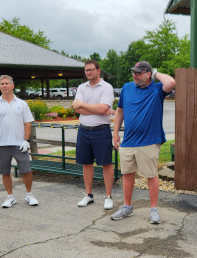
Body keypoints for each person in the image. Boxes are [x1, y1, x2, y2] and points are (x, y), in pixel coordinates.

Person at [111, 61, 176, 224]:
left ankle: (153, 209)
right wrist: (115, 133)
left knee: (150, 176)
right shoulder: (126, 88)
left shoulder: (156, 90)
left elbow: (171, 82)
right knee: (127, 175)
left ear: (148, 74)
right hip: (128, 141)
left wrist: (155, 73)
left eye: (139, 73)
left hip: (149, 141)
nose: (135, 75)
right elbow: (120, 111)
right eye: (134, 72)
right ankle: (127, 207)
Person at [0, 75, 38, 208]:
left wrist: (26, 140)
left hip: (19, 144)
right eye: (2, 84)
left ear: (12, 86)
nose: (4, 86)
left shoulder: (22, 104)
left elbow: (27, 123)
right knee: (5, 172)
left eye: (7, 83)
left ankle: (29, 194)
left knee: (26, 170)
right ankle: (10, 196)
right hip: (2, 145)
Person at [72, 60, 115, 210]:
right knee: (86, 163)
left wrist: (83, 105)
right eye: (86, 70)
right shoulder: (81, 87)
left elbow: (103, 109)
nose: (88, 72)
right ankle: (88, 195)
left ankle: (108, 196)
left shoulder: (106, 87)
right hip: (84, 129)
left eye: (91, 69)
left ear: (98, 70)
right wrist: (96, 109)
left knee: (106, 164)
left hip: (101, 130)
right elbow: (76, 109)